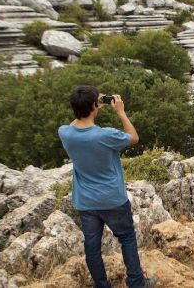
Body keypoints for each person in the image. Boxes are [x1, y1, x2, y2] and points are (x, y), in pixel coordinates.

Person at [58, 86, 157, 288]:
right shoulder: (106, 135)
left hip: (85, 201)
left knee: (92, 247)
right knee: (127, 238)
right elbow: (134, 137)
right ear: (95, 106)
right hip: (112, 198)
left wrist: (93, 105)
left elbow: (76, 124)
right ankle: (137, 283)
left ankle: (101, 285)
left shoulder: (65, 133)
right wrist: (120, 112)